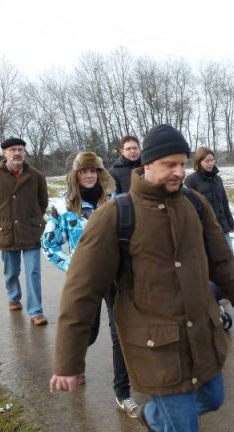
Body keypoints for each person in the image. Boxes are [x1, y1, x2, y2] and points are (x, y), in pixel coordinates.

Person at [49, 124, 234, 432]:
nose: (178, 171)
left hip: (201, 334)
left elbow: (222, 258)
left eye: (182, 163)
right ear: (146, 165)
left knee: (213, 398)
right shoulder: (115, 216)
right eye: (168, 164)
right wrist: (68, 361)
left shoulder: (195, 204)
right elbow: (81, 291)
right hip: (155, 348)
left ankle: (152, 416)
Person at [41, 151, 139, 417]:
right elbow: (48, 245)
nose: (89, 175)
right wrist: (72, 267)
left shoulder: (115, 201)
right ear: (75, 175)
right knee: (89, 332)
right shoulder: (63, 207)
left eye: (93, 170)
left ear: (100, 173)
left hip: (116, 277)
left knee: (120, 333)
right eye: (84, 171)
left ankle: (123, 392)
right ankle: (76, 363)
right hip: (86, 280)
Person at [0, 137, 48, 326]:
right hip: (7, 232)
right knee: (11, 271)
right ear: (4, 153)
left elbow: (43, 202)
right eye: (12, 150)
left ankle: (36, 311)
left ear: (24, 152)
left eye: (20, 149)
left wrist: (32, 219)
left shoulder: (37, 176)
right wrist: (5, 219)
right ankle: (13, 297)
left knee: (33, 272)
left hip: (31, 231)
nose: (17, 153)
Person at [184, 147, 234, 251]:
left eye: (212, 160)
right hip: (205, 230)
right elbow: (187, 208)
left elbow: (224, 202)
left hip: (222, 227)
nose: (211, 163)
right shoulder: (191, 180)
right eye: (207, 161)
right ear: (199, 162)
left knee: (229, 256)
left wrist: (231, 224)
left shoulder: (218, 179)